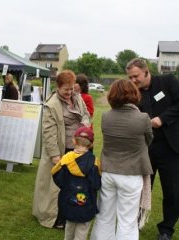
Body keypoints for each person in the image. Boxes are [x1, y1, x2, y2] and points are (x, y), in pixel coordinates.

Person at [90, 79, 153, 240]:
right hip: (132, 174)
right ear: (134, 95)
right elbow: (149, 140)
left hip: (108, 172)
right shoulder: (143, 118)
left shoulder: (106, 117)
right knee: (127, 221)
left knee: (105, 216)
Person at [126, 58, 179, 240]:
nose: (133, 81)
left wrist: (162, 118)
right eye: (130, 77)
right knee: (140, 188)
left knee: (172, 191)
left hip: (171, 148)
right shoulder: (134, 92)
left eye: (136, 76)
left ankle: (166, 230)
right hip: (145, 148)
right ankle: (136, 223)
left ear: (146, 71)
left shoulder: (168, 82)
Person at [32, 70, 91, 229]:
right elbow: (48, 132)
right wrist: (55, 155)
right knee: (55, 186)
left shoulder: (77, 97)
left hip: (78, 149)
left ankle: (70, 215)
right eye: (66, 89)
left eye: (72, 88)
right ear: (58, 87)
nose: (70, 92)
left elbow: (86, 114)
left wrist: (84, 125)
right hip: (60, 149)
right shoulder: (51, 104)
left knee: (75, 186)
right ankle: (54, 217)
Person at [51, 126, 101, 240]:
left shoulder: (66, 159)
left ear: (73, 140)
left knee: (69, 227)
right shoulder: (94, 162)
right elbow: (96, 184)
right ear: (91, 144)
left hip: (68, 201)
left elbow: (57, 178)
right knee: (82, 231)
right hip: (86, 204)